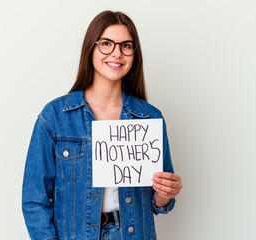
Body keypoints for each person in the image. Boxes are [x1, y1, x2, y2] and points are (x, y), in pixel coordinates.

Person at [22, 10, 183, 240]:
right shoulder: (55, 117)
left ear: (134, 54)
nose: (117, 53)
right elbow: (34, 199)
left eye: (126, 46)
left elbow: (159, 203)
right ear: (91, 48)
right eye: (106, 43)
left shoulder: (151, 118)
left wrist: (164, 196)